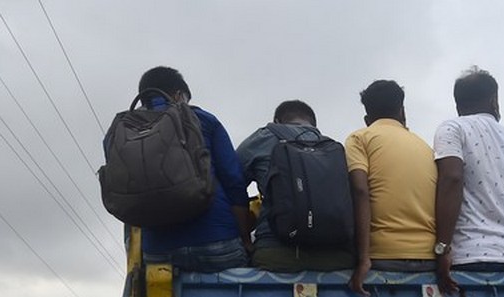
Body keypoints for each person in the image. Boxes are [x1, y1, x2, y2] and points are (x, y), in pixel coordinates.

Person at [130, 66, 250, 272]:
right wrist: (246, 239)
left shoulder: (128, 130)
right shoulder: (204, 120)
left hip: (157, 251)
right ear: (178, 95)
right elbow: (233, 181)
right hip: (217, 240)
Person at [432, 67, 504, 294]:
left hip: (469, 256)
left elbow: (452, 178)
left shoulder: (452, 129)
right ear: (494, 101)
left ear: (458, 104)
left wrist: (442, 248)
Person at [344, 80, 438, 296]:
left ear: (367, 119)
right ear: (402, 112)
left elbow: (360, 191)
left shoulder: (359, 139)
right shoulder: (425, 147)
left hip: (382, 256)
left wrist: (363, 258)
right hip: (429, 258)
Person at [236, 100, 354, 272]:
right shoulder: (334, 148)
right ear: (313, 125)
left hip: (275, 254)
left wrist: (246, 239)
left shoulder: (262, 138)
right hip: (335, 257)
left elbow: (230, 184)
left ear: (277, 121)